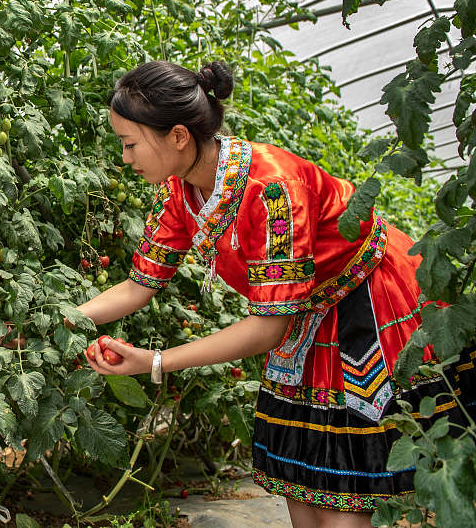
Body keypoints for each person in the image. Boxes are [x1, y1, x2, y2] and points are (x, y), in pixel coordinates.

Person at [77, 60, 475, 527]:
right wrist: (65, 318)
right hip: (303, 315)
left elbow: (268, 329)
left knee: (345, 493)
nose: (125, 157)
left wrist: (156, 361)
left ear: (178, 136)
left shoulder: (272, 188)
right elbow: (137, 285)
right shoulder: (179, 193)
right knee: (303, 491)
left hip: (366, 303)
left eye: (129, 143)